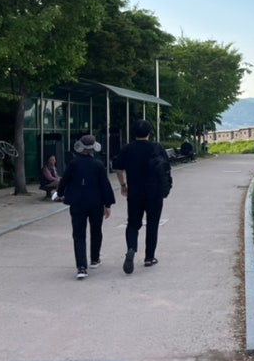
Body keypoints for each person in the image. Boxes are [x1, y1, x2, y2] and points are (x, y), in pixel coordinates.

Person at [112, 119, 171, 274]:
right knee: (152, 224)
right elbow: (166, 167)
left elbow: (118, 168)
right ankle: (149, 258)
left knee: (132, 224)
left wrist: (123, 185)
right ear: (149, 132)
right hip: (155, 193)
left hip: (135, 193)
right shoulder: (156, 148)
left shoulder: (127, 149)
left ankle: (131, 248)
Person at [56, 135, 115, 280]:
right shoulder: (98, 164)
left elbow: (64, 181)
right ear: (94, 148)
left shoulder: (73, 164)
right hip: (96, 203)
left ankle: (81, 267)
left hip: (77, 203)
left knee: (78, 234)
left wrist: (60, 193)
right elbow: (104, 185)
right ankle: (95, 259)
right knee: (96, 230)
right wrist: (107, 204)